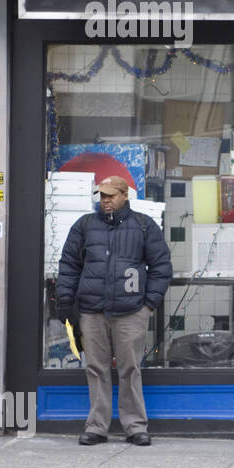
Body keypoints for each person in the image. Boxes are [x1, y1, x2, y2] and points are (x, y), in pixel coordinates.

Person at [55, 175, 171, 447]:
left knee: (130, 368)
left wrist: (148, 305)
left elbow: (161, 266)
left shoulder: (143, 225)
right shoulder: (84, 226)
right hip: (92, 311)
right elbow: (69, 265)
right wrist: (65, 301)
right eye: (102, 196)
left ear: (124, 195)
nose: (105, 201)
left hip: (131, 311)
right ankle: (97, 426)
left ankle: (135, 426)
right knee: (96, 368)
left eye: (111, 195)